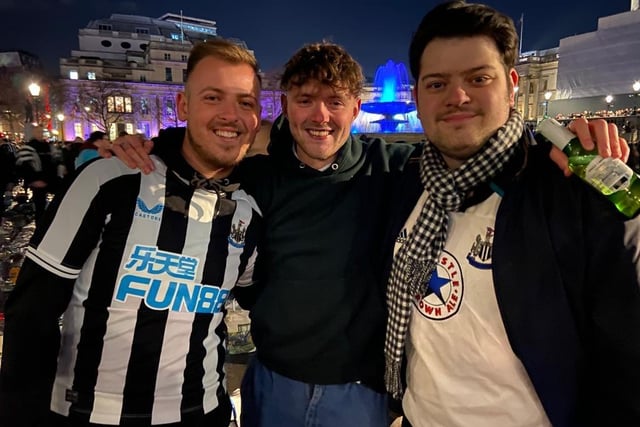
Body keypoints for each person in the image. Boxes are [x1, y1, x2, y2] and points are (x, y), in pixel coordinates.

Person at [104, 41, 626, 426]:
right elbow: (204, 153)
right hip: (272, 382)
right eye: (305, 99)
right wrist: (148, 148)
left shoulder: (395, 170)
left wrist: (565, 148)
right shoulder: (260, 175)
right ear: (285, 106)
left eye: (335, 101)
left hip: (362, 394)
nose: (321, 116)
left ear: (358, 108)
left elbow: (479, 157)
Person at [381, 2, 640, 426]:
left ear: (512, 84)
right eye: (436, 83)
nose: (457, 96)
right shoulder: (408, 184)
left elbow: (629, 362)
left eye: (478, 78)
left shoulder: (574, 192)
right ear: (416, 96)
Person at [0, 38, 263, 427]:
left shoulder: (249, 211)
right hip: (91, 414)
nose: (231, 114)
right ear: (183, 106)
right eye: (213, 97)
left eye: (245, 102)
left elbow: (253, 293)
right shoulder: (109, 180)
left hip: (203, 411)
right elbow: (30, 315)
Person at [14, 124, 65, 226]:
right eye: (38, 132)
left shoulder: (49, 147)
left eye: (42, 132)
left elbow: (57, 162)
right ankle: (41, 229)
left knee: (57, 204)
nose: (41, 134)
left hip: (50, 181)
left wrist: (60, 175)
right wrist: (33, 180)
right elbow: (23, 167)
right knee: (40, 208)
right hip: (38, 183)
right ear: (33, 133)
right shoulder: (28, 148)